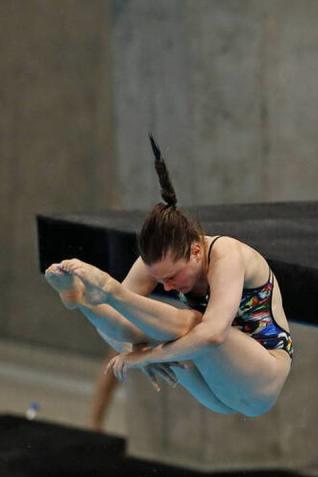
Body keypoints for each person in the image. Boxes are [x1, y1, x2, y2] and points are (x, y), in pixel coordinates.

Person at [43, 136, 292, 418]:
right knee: (141, 329)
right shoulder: (158, 263)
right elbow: (119, 329)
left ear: (196, 251)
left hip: (262, 379)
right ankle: (80, 300)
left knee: (193, 324)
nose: (167, 286)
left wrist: (145, 356)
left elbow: (213, 335)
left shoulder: (227, 254)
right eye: (161, 279)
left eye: (172, 276)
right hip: (214, 387)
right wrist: (139, 351)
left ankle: (109, 291)